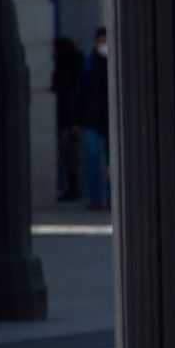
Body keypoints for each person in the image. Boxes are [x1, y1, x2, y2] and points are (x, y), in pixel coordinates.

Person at [79, 27, 110, 212]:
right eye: (100, 40)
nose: (102, 44)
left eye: (105, 40)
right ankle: (96, 198)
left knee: (111, 162)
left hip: (109, 120)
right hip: (91, 119)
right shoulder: (89, 63)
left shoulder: (115, 62)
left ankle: (113, 199)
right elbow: (80, 92)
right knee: (93, 160)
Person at [51, 37, 84, 202]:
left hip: (68, 120)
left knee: (70, 155)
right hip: (69, 119)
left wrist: (74, 122)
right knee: (70, 156)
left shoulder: (66, 66)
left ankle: (73, 188)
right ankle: (72, 188)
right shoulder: (75, 64)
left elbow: (67, 92)